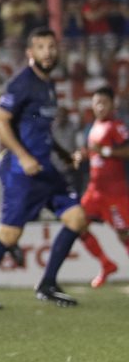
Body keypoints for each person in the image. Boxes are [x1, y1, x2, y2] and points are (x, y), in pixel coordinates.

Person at [0, 28, 89, 310]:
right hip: (22, 170)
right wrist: (24, 156)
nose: (48, 52)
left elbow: (41, 131)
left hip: (45, 169)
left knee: (77, 218)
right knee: (9, 235)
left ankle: (48, 284)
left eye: (52, 47)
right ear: (30, 53)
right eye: (41, 47)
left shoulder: (49, 86)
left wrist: (64, 156)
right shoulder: (23, 83)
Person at [71, 87, 129, 288]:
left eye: (104, 102)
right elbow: (94, 153)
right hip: (94, 190)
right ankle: (106, 264)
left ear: (113, 104)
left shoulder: (117, 125)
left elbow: (127, 150)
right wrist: (83, 155)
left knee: (124, 234)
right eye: (97, 103)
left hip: (115, 192)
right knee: (77, 224)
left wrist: (104, 150)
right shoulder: (93, 127)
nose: (100, 106)